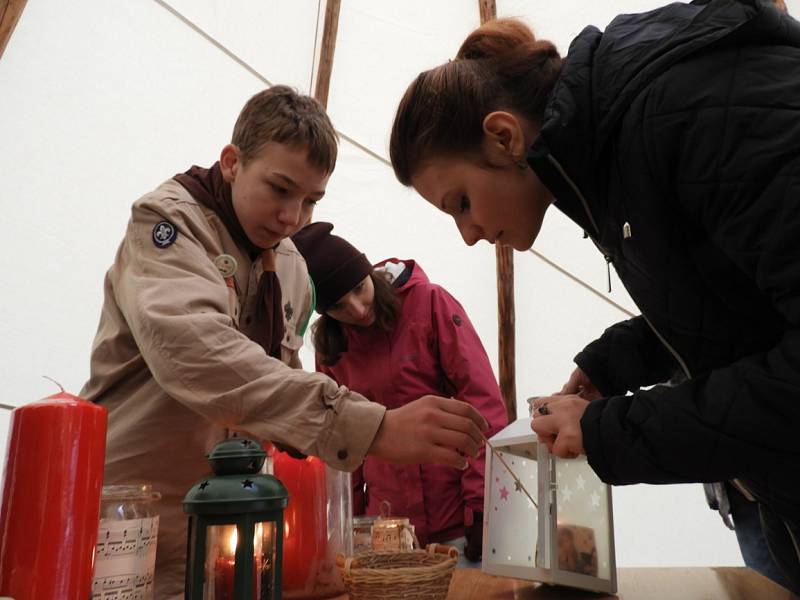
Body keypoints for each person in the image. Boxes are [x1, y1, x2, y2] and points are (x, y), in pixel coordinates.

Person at [388, 0, 800, 589]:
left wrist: (613, 430)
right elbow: (735, 297)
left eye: (461, 204)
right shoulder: (610, 152)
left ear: (503, 137)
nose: (471, 235)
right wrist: (618, 360)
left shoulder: (683, 108)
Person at [81, 86, 488, 599]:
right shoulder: (168, 224)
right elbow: (197, 354)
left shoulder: (292, 266)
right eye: (279, 189)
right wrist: (374, 427)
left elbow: (280, 399)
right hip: (133, 529)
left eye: (311, 200)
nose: (292, 217)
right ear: (232, 163)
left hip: (228, 540)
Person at [290, 222, 508, 563]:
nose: (358, 310)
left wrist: (482, 506)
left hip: (455, 520)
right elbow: (342, 439)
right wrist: (351, 523)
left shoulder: (428, 303)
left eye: (359, 289)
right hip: (386, 529)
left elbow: (482, 403)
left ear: (369, 273)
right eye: (339, 307)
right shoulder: (332, 347)